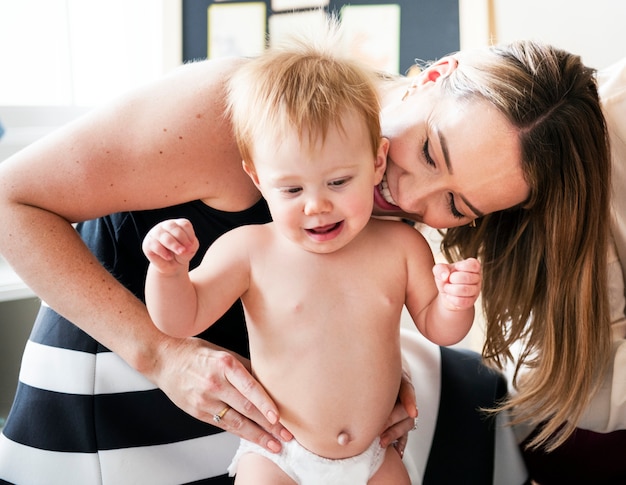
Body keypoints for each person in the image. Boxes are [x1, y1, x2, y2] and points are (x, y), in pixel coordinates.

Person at [0, 14, 621, 483]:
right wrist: (161, 355)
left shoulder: (392, 208)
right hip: (110, 402)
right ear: (435, 77)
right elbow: (12, 203)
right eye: (431, 152)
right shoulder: (241, 107)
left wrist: (368, 376)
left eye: (457, 206)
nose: (410, 194)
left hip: (247, 433)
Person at [141, 39, 480, 485]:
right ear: (258, 178)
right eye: (292, 190)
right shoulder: (248, 250)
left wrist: (455, 302)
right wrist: (169, 271)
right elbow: (179, 320)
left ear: (377, 162)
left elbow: (440, 329)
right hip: (280, 455)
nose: (317, 206)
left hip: (377, 455)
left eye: (338, 181)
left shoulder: (401, 246)